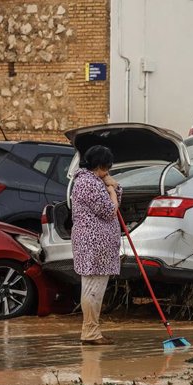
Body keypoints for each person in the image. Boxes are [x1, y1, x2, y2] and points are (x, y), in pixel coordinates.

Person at [71, 145, 122, 346]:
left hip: (97, 244)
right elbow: (109, 210)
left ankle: (91, 330)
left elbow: (114, 202)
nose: (108, 171)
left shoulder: (92, 181)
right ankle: (91, 332)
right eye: (106, 167)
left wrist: (113, 187)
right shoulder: (88, 183)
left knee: (95, 287)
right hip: (94, 244)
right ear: (99, 165)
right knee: (93, 287)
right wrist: (112, 191)